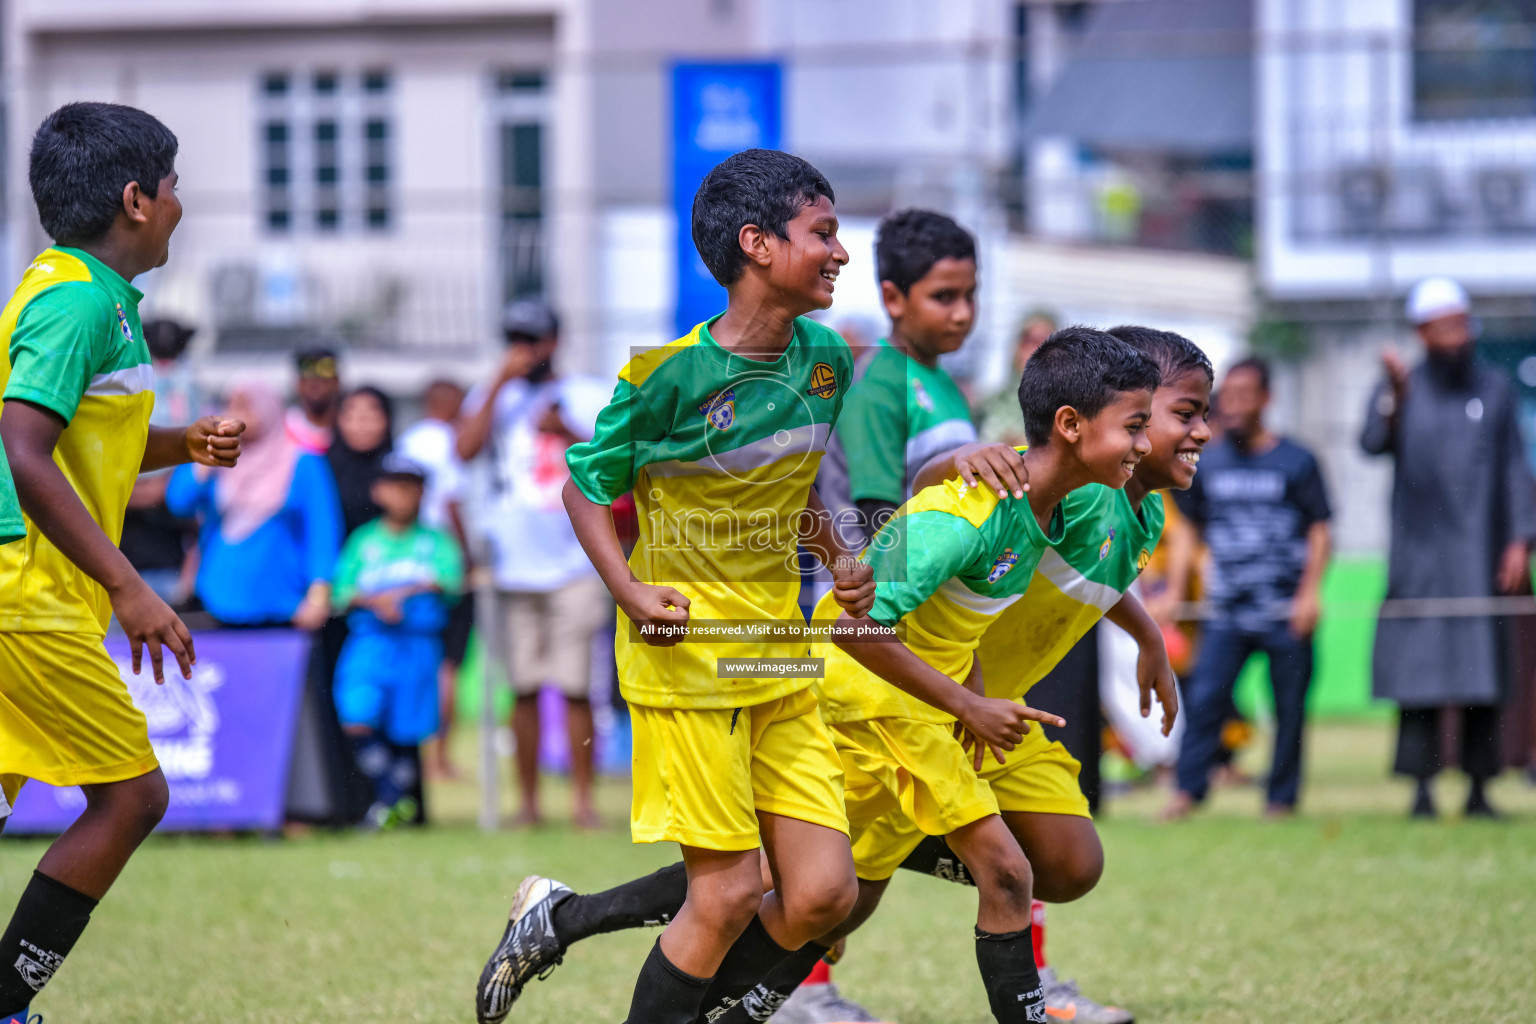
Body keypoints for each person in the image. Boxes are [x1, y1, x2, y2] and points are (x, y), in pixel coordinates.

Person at [473, 328, 1175, 1024]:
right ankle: (569, 923)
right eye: (1168, 416)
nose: (1176, 436)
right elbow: (901, 540)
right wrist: (631, 587)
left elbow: (957, 590)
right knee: (774, 888)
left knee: (826, 897)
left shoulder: (1068, 501)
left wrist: (1125, 643)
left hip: (916, 694)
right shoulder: (758, 374)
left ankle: (604, 942)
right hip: (841, 688)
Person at [475, 148, 884, 1024]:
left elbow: (790, 480)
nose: (842, 252)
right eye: (824, 233)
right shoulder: (662, 377)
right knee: (729, 892)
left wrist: (839, 554)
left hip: (777, 651)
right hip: (689, 659)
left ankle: (564, 921)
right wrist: (628, 591)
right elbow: (585, 485)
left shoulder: (827, 359)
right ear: (758, 245)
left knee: (821, 896)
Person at [0, 101, 245, 1024]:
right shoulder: (74, 302)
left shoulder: (92, 295)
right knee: (133, 797)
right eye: (175, 187)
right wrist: (129, 584)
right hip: (30, 596)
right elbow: (23, 450)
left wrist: (182, 442)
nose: (183, 204)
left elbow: (73, 441)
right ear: (137, 200)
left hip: (31, 593)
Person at [1361, 277, 1536, 818]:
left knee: (1484, 670)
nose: (1458, 337)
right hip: (1421, 558)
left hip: (1482, 554)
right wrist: (1393, 394)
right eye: (1446, 327)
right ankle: (1421, 789)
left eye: (1463, 324)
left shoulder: (1496, 387)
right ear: (1422, 332)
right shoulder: (1399, 384)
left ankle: (1480, 788)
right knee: (1422, 673)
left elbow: (1513, 468)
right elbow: (1372, 443)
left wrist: (1519, 541)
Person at [456, 300, 611, 828]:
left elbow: (615, 463)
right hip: (512, 566)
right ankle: (528, 803)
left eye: (532, 339)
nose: (523, 349)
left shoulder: (586, 393)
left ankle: (584, 803)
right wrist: (499, 383)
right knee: (521, 686)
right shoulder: (493, 395)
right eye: (515, 338)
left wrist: (566, 428)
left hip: (575, 564)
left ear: (555, 341)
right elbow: (464, 449)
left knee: (574, 687)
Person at [1164, 356, 1332, 820]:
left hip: (1284, 611)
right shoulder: (1208, 462)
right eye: (1228, 397)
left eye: (1243, 396)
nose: (1232, 406)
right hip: (1226, 613)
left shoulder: (1298, 460)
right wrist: (1177, 591)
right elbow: (1188, 531)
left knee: (1290, 710)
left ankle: (1281, 799)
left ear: (1267, 399)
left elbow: (1320, 530)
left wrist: (1310, 595)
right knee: (1204, 702)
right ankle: (1187, 793)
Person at [818, 208, 979, 559]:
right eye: (944, 296)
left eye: (970, 294)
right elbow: (880, 524)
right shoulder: (877, 384)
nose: (963, 312)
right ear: (892, 299)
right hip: (879, 598)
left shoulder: (945, 383)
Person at [332, 453, 464, 829]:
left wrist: (403, 593)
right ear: (378, 490)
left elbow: (451, 582)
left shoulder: (436, 541)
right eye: (395, 484)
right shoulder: (364, 540)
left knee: (407, 729)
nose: (403, 493)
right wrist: (377, 601)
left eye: (411, 485)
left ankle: (396, 811)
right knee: (356, 716)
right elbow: (342, 591)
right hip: (371, 642)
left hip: (418, 645)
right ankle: (391, 796)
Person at [166, 382, 339, 631]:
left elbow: (322, 532)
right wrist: (206, 461)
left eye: (246, 406)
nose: (237, 414)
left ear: (268, 408)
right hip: (216, 599)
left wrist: (319, 596)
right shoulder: (216, 460)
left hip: (282, 605)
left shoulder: (302, 463)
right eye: (231, 406)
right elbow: (179, 503)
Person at [395, 379, 470, 778]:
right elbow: (453, 502)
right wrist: (466, 558)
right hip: (442, 560)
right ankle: (439, 757)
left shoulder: (408, 440)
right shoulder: (447, 440)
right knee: (448, 668)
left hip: (406, 558)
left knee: (412, 663)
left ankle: (415, 755)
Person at [120, 319, 204, 604]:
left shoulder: (189, 390)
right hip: (121, 567)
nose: (168, 363)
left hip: (172, 567)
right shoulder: (127, 388)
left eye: (174, 352)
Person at [977, 310, 1057, 446]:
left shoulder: (1064, 410)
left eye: (1045, 343)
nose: (1035, 351)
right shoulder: (990, 404)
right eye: (1029, 341)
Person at [328, 386, 395, 538]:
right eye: (353, 417)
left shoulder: (400, 472)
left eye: (371, 417)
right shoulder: (322, 469)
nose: (362, 426)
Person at [287, 345, 340, 455]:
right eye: (308, 380)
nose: (315, 384)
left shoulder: (351, 429)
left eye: (323, 380)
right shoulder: (282, 431)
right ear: (298, 384)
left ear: (336, 382)